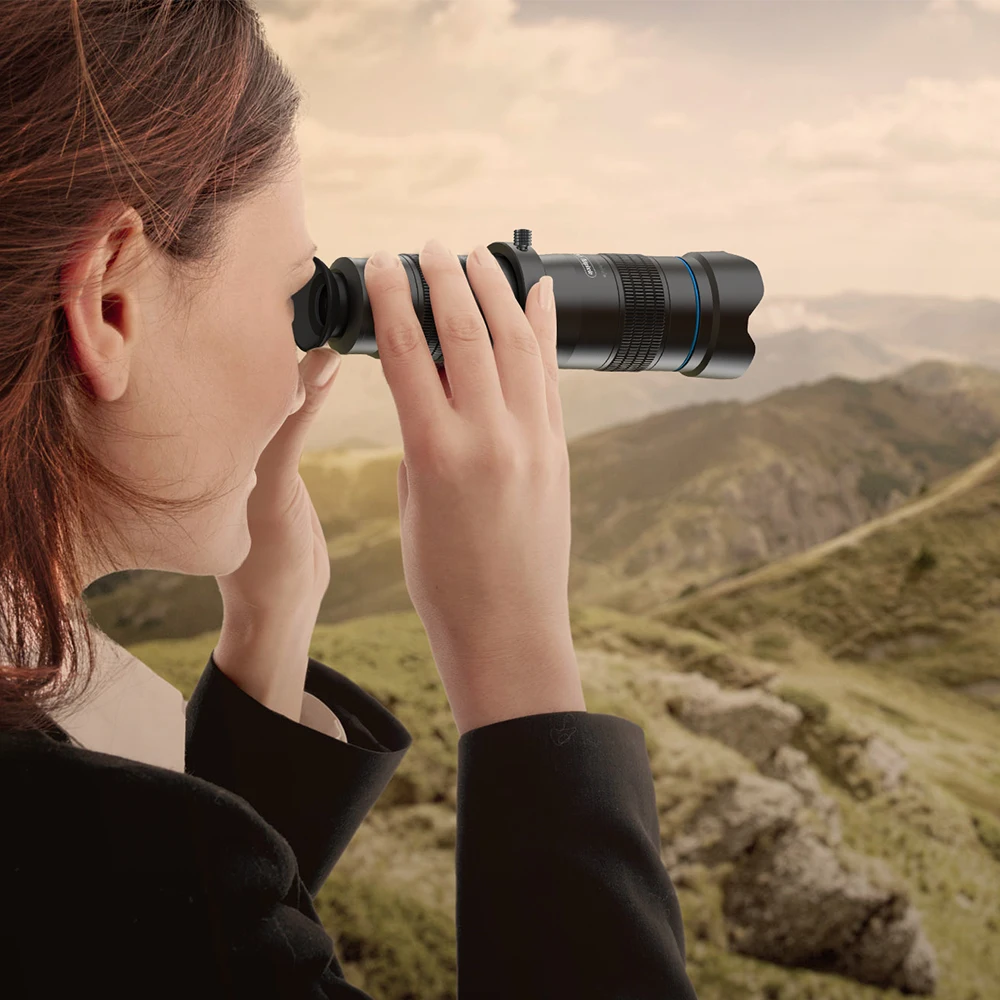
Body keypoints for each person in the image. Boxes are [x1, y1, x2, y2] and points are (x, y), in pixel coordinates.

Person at [0, 2, 698, 997]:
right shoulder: (66, 846)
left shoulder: (81, 860)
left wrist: (270, 622)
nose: (302, 364)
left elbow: (183, 937)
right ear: (110, 305)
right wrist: (517, 659)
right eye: (295, 294)